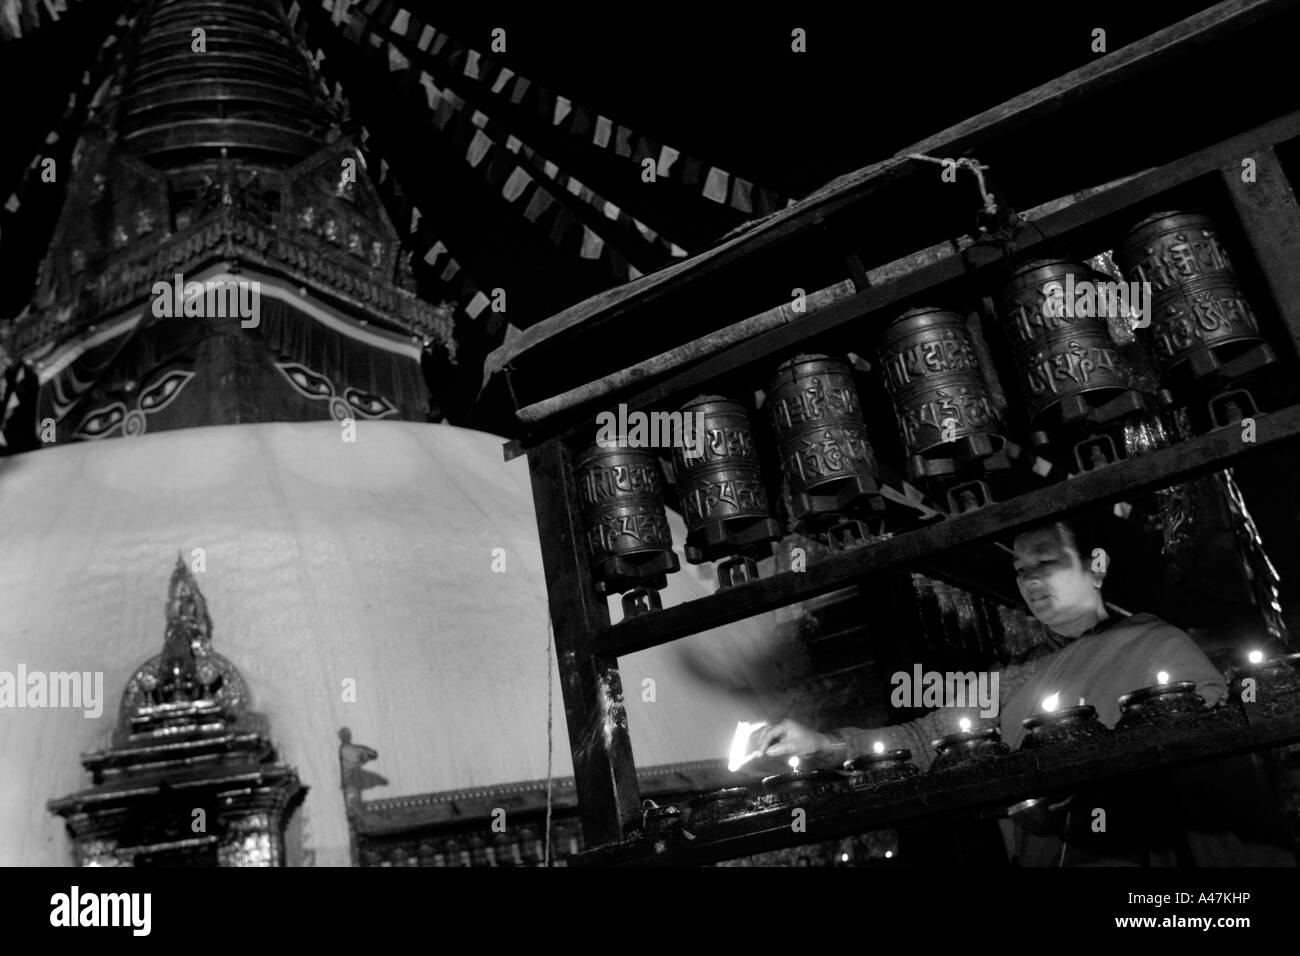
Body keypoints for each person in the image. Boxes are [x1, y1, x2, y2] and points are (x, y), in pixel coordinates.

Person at [754, 515, 1297, 866]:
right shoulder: (1016, 675)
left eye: (1048, 563)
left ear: (1097, 566)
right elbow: (924, 741)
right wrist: (825, 745)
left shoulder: (1155, 642)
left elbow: (1217, 760)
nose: (1032, 581)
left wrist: (1096, 786)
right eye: (1021, 571)